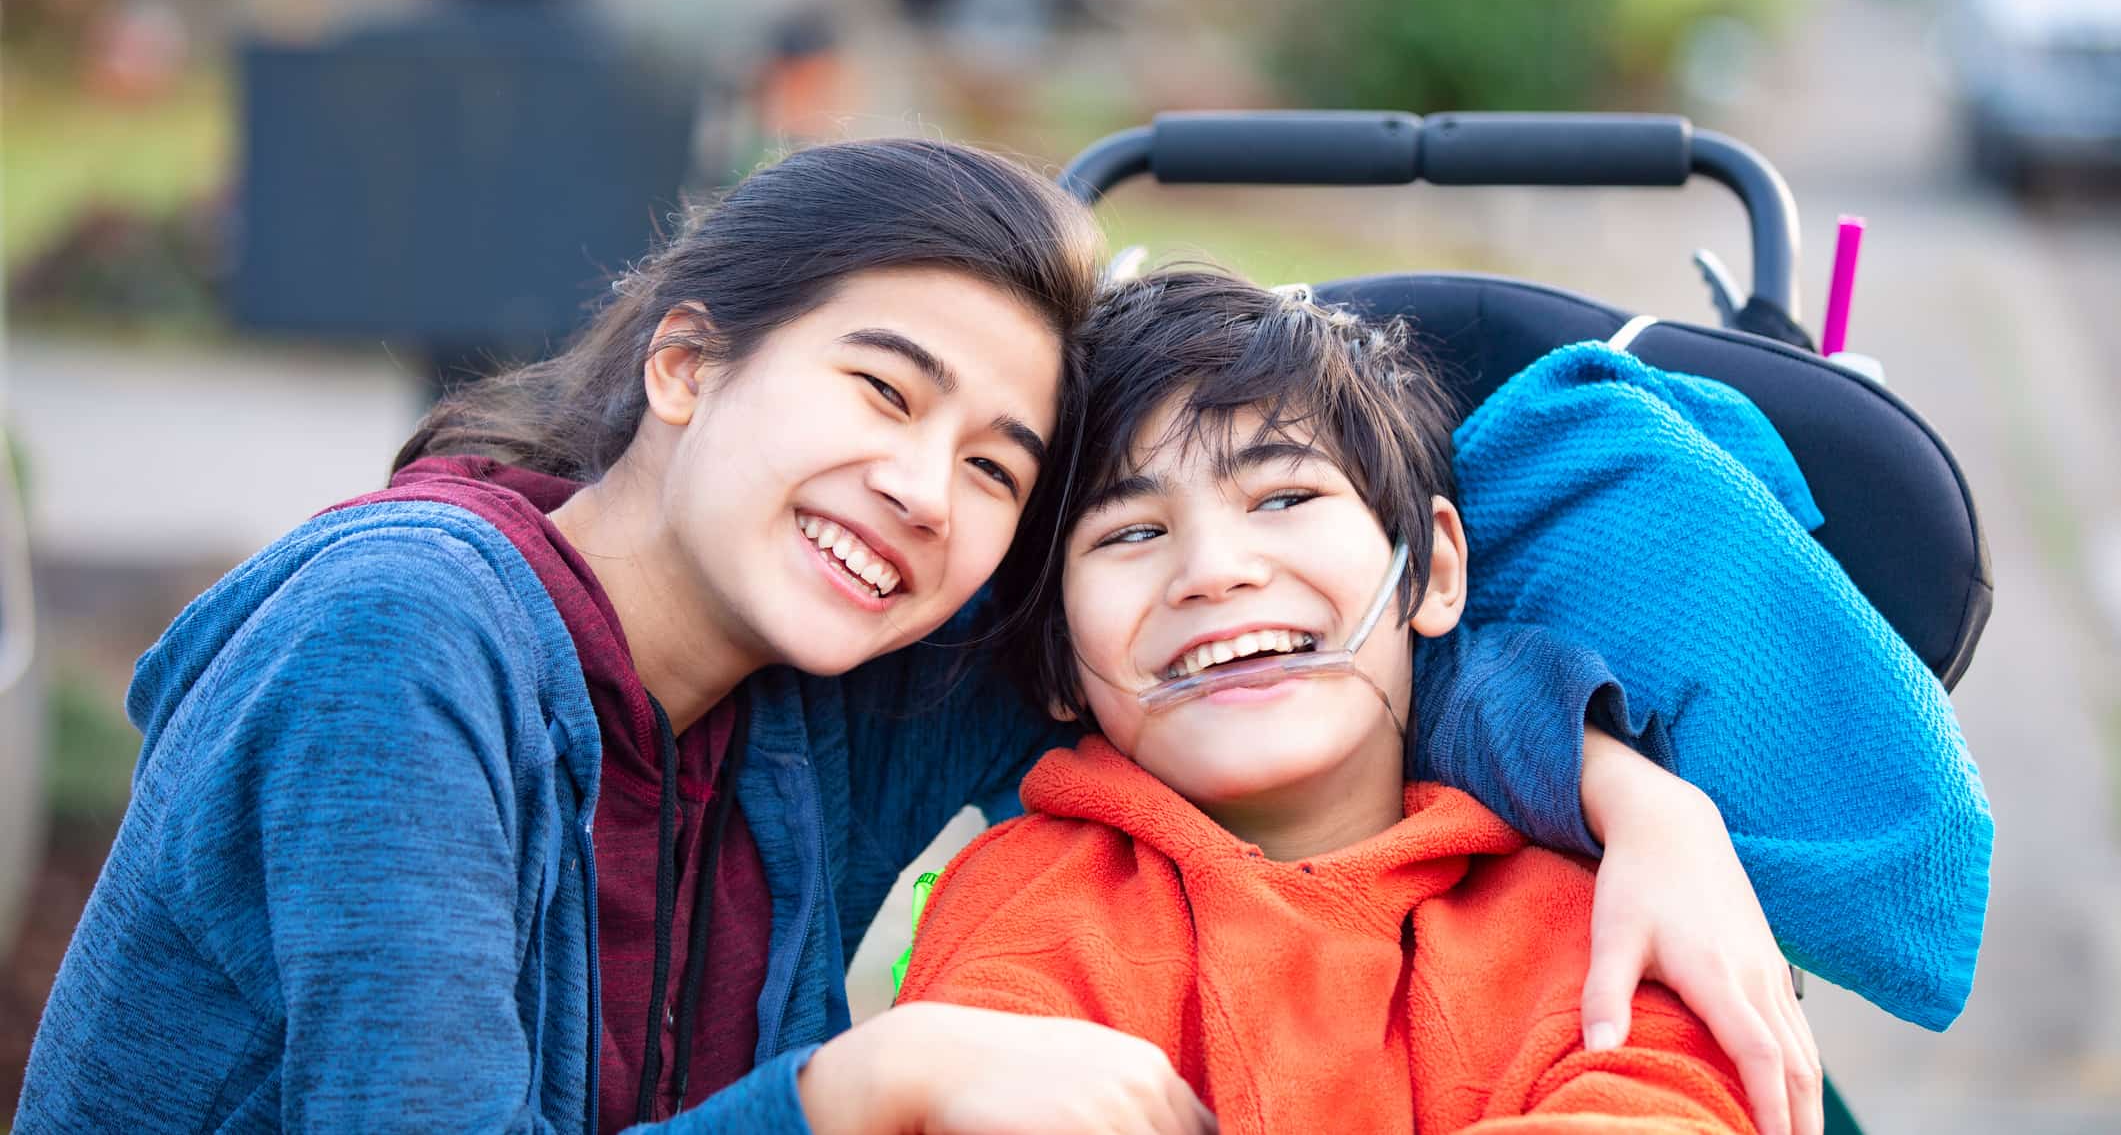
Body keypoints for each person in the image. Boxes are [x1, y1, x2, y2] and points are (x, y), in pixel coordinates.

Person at [16, 143, 1809, 1135]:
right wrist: (855, 1083)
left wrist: (1632, 792)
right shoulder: (404, 636)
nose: (918, 487)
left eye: (995, 462)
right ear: (686, 361)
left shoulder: (835, 684)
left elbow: (1266, 654)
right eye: (880, 385)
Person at [896, 268, 1809, 1133]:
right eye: (1132, 530)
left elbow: (1659, 1098)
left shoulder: (1598, 916)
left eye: (1286, 494)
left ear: (1435, 572)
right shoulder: (1030, 904)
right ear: (1057, 664)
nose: (1214, 573)